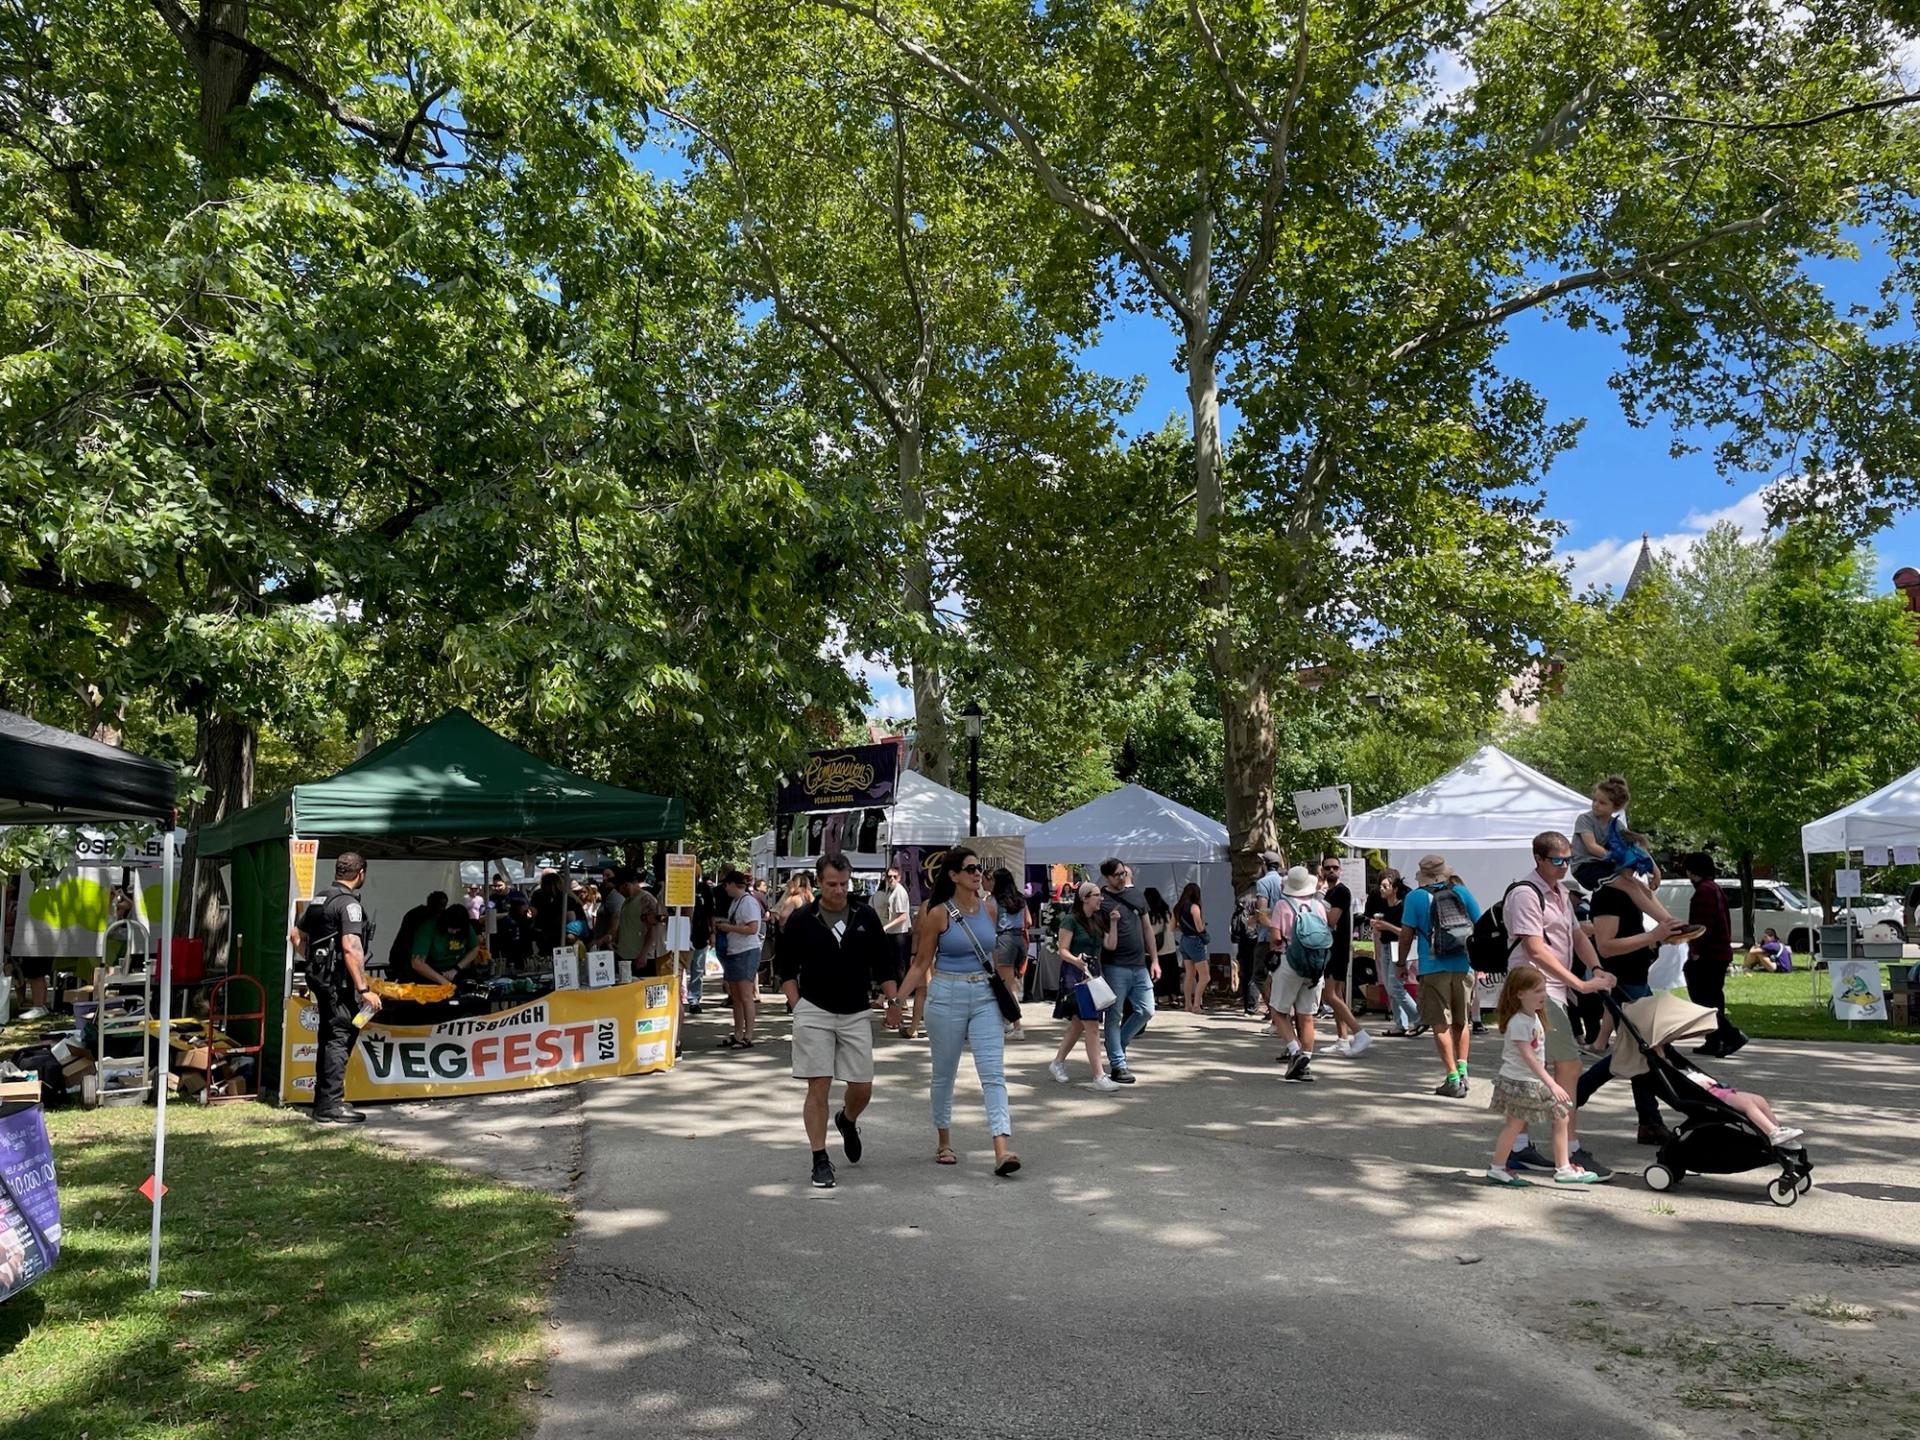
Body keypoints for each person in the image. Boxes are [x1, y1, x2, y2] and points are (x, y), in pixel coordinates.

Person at [889, 845, 1020, 1175]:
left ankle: (1002, 1149)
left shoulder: (989, 907)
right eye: (971, 869)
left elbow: (989, 957)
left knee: (993, 1074)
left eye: (979, 869)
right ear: (953, 875)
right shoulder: (937, 912)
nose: (978, 874)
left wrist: (1004, 988)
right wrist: (897, 1002)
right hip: (947, 992)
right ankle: (944, 1140)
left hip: (984, 996)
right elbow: (920, 965)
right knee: (944, 1073)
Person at [775, 853, 900, 1189]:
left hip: (856, 1010)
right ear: (818, 882)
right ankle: (819, 1158)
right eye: (832, 884)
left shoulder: (865, 915)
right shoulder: (802, 919)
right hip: (814, 1010)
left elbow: (884, 964)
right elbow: (785, 970)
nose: (839, 890)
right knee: (819, 1084)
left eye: (844, 883)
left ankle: (847, 1119)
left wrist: (894, 1001)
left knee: (862, 1086)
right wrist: (797, 1005)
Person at [1502, 832, 1621, 1178]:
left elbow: (1577, 936)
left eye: (1568, 859)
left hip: (1552, 992)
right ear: (1538, 858)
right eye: (1558, 860)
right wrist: (1580, 984)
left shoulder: (1560, 893)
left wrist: (1596, 968)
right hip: (1533, 991)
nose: (1565, 865)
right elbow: (1536, 949)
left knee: (1531, 1070)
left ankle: (1518, 1149)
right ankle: (1567, 1151)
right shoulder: (1526, 893)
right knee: (1567, 1067)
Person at [1578, 870, 1677, 1146]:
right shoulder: (1608, 895)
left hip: (1636, 980)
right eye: (1638, 864)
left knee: (1639, 1052)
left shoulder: (1632, 892)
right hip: (1623, 983)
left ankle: (1649, 1121)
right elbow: (1606, 947)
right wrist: (1652, 936)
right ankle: (1574, 1097)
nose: (1643, 871)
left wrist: (1662, 935)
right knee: (1638, 1052)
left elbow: (1638, 933)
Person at [290, 853, 380, 1124]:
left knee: (329, 1036)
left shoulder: (320, 898)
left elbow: (296, 935)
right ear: (360, 873)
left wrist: (315, 960)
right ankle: (331, 1105)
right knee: (339, 1038)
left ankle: (325, 1101)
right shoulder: (348, 904)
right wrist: (364, 990)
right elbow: (350, 947)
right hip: (339, 982)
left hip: (320, 978)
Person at [1486, 968, 1598, 1186]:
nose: (1543, 995)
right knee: (1516, 1125)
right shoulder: (1519, 1022)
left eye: (1544, 990)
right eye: (1537, 991)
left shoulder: (1534, 1017)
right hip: (1522, 1083)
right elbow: (1529, 1058)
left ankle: (1561, 1167)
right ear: (1520, 994)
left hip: (1531, 1081)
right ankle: (1499, 1167)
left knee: (1558, 1115)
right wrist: (1552, 1083)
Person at [1573, 776, 1703, 942]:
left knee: (1640, 886)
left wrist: (1654, 870)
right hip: (1586, 867)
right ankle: (1668, 926)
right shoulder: (1585, 819)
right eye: (1595, 800)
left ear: (1615, 807)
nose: (1595, 804)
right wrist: (1617, 858)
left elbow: (1637, 849)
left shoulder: (1617, 826)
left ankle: (1672, 923)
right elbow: (1591, 846)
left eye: (1602, 802)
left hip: (1605, 866)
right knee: (1630, 886)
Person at [1399, 855, 1482, 1097]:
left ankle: (1452, 1078)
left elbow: (1406, 935)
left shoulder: (1414, 897)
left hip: (1432, 967)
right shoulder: (1461, 892)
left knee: (1440, 1023)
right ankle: (1464, 1069)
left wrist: (1401, 963)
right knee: (1461, 1021)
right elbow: (1479, 925)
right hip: (1463, 966)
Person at [1049, 882, 1121, 1090]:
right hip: (1076, 976)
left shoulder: (1098, 920)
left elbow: (1110, 945)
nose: (1101, 899)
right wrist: (1076, 960)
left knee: (1080, 1024)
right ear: (1085, 898)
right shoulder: (1071, 920)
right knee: (1091, 1025)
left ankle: (1058, 1062)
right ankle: (1098, 1076)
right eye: (1097, 895)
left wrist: (1114, 924)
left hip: (1093, 975)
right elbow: (1062, 950)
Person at [1097, 858, 1160, 1084]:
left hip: (1139, 965)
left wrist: (1155, 960)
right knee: (1113, 1016)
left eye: (1123, 873)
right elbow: (1104, 939)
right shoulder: (1101, 902)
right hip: (1115, 966)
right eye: (1117, 875)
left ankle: (1118, 1044)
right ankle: (1118, 1064)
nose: (1122, 878)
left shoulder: (1136, 895)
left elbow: (1147, 928)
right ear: (1107, 877)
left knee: (1147, 1010)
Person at [1662, 1045, 1804, 1145]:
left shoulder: (1683, 1068)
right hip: (1711, 1096)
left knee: (1759, 1100)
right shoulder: (1674, 1074)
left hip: (1720, 1091)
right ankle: (1773, 1133)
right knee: (1747, 1105)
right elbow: (1666, 1064)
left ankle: (1777, 1129)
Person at [1268, 865, 1332, 1081]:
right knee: (1307, 1016)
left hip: (1289, 961)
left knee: (1278, 1011)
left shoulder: (1282, 905)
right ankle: (1306, 1061)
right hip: (1315, 965)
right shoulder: (1318, 906)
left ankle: (1295, 1050)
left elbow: (1276, 938)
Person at [1683, 853, 1749, 1056]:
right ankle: (1714, 1039)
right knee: (1714, 998)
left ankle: (1730, 1035)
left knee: (1703, 999)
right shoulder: (1715, 889)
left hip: (1708, 954)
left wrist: (1695, 951)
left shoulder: (1703, 892)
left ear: (1692, 871)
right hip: (1719, 953)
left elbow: (1702, 926)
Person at [1317, 857, 1370, 1058]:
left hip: (1337, 948)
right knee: (1336, 995)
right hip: (1330, 947)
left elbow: (1331, 920)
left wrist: (1318, 903)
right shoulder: (1330, 891)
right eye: (1327, 867)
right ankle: (1342, 1039)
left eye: (1335, 867)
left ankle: (1360, 1032)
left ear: (1341, 870)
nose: (1331, 870)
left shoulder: (1340, 892)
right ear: (1322, 870)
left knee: (1329, 995)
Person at [1364, 869, 1420, 1036]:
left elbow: (1406, 932)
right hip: (1386, 945)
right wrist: (1375, 924)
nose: (1381, 889)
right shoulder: (1380, 902)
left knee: (1395, 986)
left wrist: (1385, 926)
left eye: (1385, 886)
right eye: (1380, 885)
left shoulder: (1403, 905)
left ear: (1395, 888)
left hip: (1400, 947)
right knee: (1389, 986)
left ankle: (1418, 1017)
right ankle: (1400, 1024)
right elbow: (1371, 917)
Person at [713, 870, 765, 1049]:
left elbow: (752, 929)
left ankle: (748, 1035)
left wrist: (728, 928)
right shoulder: (736, 901)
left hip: (746, 951)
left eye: (726, 884)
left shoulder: (748, 902)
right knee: (735, 996)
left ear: (734, 884)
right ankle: (737, 1033)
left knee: (745, 995)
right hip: (734, 950)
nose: (725, 888)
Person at [1244, 850, 1286, 1016]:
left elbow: (1263, 911)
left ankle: (1275, 1014)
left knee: (1259, 976)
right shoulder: (1284, 881)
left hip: (1267, 936)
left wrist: (1258, 921)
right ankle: (1279, 1012)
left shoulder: (1263, 883)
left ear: (1264, 865)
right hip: (1285, 934)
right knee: (1277, 976)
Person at [990, 868, 1029, 1039]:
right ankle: (1008, 1021)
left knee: (1007, 986)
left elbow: (991, 924)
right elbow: (1028, 921)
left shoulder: (995, 900)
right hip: (1020, 940)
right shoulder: (1020, 898)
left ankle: (1017, 1025)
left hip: (1004, 939)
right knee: (1012, 983)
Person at [876, 864, 916, 1029]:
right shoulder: (889, 891)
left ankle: (902, 999)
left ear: (899, 878)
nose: (891, 879)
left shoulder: (899, 891)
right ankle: (891, 998)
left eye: (894, 876)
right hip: (892, 933)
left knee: (899, 967)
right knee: (892, 966)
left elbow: (902, 916)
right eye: (889, 876)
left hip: (898, 933)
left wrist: (886, 927)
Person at [410, 903, 482, 986]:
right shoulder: (428, 927)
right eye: (451, 928)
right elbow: (417, 963)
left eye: (457, 930)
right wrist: (444, 982)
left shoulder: (465, 926)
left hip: (456, 971)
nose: (454, 932)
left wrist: (456, 969)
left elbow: (475, 949)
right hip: (430, 974)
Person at [611, 868, 665, 978]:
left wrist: (644, 954)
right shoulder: (627, 901)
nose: (618, 892)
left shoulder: (646, 900)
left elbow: (653, 929)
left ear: (625, 885)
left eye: (618, 888)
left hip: (640, 958)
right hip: (625, 955)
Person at [387, 889, 448, 974]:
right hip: (405, 960)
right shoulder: (420, 917)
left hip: (408, 959)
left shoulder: (418, 914)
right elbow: (406, 941)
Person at [1175, 881, 1210, 1013]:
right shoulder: (1194, 907)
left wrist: (1184, 928)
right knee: (1205, 976)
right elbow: (1199, 927)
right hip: (1194, 941)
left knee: (1189, 974)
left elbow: (1172, 927)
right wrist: (1203, 928)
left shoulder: (1177, 907)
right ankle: (1196, 1005)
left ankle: (1187, 1005)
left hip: (1184, 940)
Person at [687, 871, 713, 1013]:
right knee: (680, 969)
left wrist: (712, 932)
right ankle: (680, 997)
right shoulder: (679, 887)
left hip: (700, 934)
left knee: (697, 968)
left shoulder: (704, 889)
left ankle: (694, 999)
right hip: (682, 934)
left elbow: (710, 913)